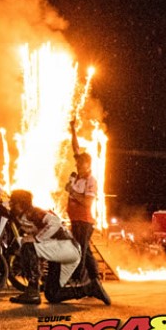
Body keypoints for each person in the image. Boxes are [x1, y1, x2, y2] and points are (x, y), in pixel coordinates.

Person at [7, 189, 110, 306]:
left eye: (13, 202)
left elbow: (55, 222)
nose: (11, 204)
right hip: (64, 253)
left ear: (21, 203)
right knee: (52, 294)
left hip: (66, 247)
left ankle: (32, 291)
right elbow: (1, 208)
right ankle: (90, 288)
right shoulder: (21, 214)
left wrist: (36, 238)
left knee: (28, 247)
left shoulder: (34, 212)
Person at [67, 119, 100, 284]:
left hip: (84, 221)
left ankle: (77, 279)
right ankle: (95, 279)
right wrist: (73, 129)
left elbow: (87, 203)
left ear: (88, 165)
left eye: (81, 164)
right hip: (75, 220)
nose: (78, 165)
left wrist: (72, 191)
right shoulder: (77, 176)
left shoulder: (91, 180)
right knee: (85, 252)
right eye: (77, 163)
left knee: (80, 250)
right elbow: (76, 148)